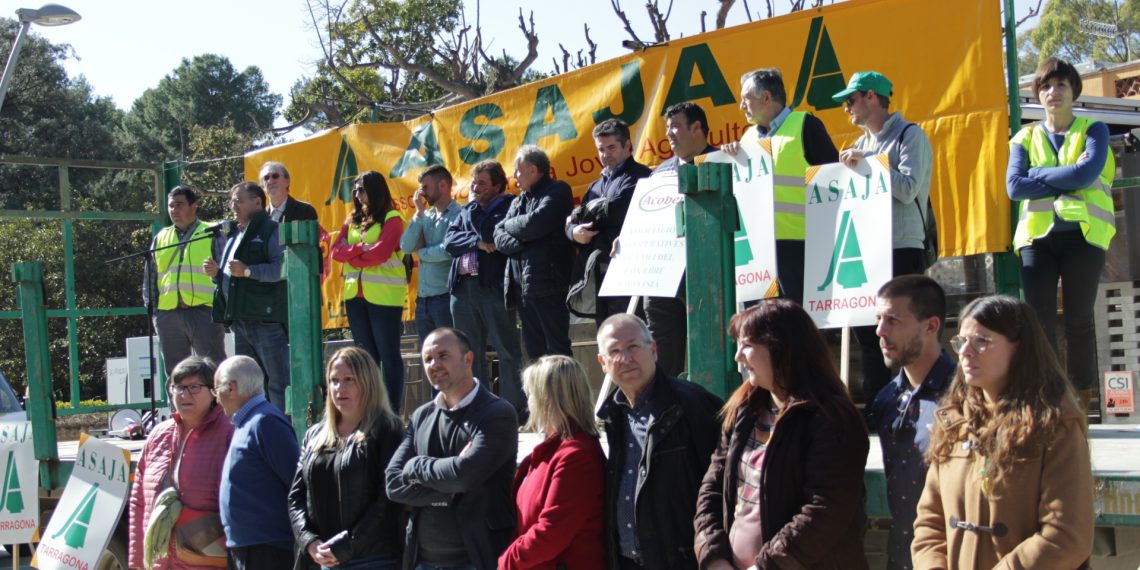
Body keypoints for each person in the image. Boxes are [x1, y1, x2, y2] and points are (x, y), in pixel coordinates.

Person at [912, 296, 1094, 568]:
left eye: (981, 341)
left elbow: (1066, 536)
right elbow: (930, 523)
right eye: (961, 341)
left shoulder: (1055, 426)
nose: (965, 352)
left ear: (1020, 348)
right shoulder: (954, 423)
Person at [694, 300, 870, 569]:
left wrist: (765, 566)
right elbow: (712, 489)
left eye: (747, 345)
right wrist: (714, 557)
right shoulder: (744, 411)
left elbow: (825, 510)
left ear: (781, 348)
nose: (737, 356)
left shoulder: (831, 418)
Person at [1006, 57, 1116, 412]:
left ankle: (1083, 401)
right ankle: (1050, 400)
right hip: (1037, 240)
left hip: (1084, 237)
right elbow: (1014, 187)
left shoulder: (1094, 129)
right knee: (1038, 323)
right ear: (1038, 94)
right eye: (1046, 86)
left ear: (1074, 92)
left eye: (1061, 85)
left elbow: (1086, 176)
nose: (1053, 92)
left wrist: (1039, 175)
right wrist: (1066, 173)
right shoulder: (1023, 136)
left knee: (1078, 320)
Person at [832, 70, 936, 410]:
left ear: (871, 97)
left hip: (902, 246)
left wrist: (871, 165)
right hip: (867, 250)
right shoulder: (859, 145)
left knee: (903, 329)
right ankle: (880, 408)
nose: (846, 108)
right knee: (868, 331)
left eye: (851, 100)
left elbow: (907, 190)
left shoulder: (911, 136)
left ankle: (917, 404)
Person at [594, 313, 722, 570]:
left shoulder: (691, 405)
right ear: (603, 363)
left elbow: (724, 489)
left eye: (633, 347)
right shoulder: (614, 415)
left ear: (653, 349)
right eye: (615, 351)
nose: (625, 358)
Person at [385, 327, 519, 570]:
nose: (434, 364)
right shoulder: (421, 416)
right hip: (422, 561)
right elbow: (393, 484)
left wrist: (416, 465)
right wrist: (450, 489)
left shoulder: (497, 414)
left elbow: (464, 476)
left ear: (468, 359)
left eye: (443, 355)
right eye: (427, 359)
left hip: (476, 560)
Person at [725, 68, 839, 307]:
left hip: (800, 245)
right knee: (760, 324)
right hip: (757, 250)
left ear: (766, 97)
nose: (741, 106)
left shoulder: (805, 124)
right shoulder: (746, 140)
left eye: (746, 99)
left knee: (797, 322)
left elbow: (834, 180)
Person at [868, 275, 955, 570]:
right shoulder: (885, 399)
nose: (880, 331)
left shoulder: (967, 396)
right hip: (902, 557)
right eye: (878, 319)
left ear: (931, 326)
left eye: (893, 320)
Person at [288, 347, 403, 570]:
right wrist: (309, 541)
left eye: (349, 379)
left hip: (373, 559)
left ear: (368, 382)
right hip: (320, 559)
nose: (340, 388)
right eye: (334, 380)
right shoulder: (314, 434)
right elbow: (296, 497)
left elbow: (389, 498)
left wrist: (347, 545)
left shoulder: (387, 429)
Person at [498, 355, 606, 570]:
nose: (528, 402)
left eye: (530, 394)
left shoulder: (577, 455)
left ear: (547, 398)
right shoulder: (555, 449)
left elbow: (550, 533)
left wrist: (507, 562)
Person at [128, 357, 233, 570]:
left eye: (194, 387)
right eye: (179, 387)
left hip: (209, 563)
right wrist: (137, 562)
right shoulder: (158, 435)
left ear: (214, 391)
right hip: (159, 564)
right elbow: (139, 501)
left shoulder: (230, 432)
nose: (184, 395)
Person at [641, 102, 720, 377]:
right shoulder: (659, 174)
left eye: (675, 126)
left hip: (708, 274)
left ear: (697, 128)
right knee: (662, 348)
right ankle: (665, 407)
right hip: (663, 277)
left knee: (711, 344)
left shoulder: (722, 164)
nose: (669, 134)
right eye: (666, 128)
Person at [443, 159, 526, 416]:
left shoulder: (508, 206)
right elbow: (449, 241)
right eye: (473, 182)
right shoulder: (466, 210)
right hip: (462, 289)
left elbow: (492, 233)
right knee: (468, 352)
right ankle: (476, 406)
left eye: (482, 183)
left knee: (506, 348)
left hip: (492, 287)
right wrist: (476, 243)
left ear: (498, 185)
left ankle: (514, 408)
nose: (475, 188)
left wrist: (479, 234)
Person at [205, 182, 289, 411]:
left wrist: (250, 271)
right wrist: (216, 275)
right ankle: (256, 429)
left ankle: (281, 432)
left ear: (257, 202)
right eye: (232, 201)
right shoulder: (235, 235)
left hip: (265, 320)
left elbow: (283, 269)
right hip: (241, 321)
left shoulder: (270, 230)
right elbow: (234, 275)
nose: (234, 206)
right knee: (248, 385)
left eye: (239, 200)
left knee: (277, 383)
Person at [330, 171, 407, 413]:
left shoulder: (393, 218)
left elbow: (380, 254)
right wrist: (361, 250)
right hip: (355, 297)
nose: (357, 194)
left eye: (361, 189)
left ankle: (392, 411)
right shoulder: (351, 219)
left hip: (384, 297)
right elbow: (335, 251)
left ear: (375, 189)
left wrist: (353, 254)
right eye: (354, 190)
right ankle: (371, 410)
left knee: (388, 355)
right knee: (365, 358)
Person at [216, 355, 300, 570]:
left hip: (267, 550)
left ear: (232, 388)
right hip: (251, 548)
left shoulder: (265, 422)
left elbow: (296, 482)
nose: (217, 399)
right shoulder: (249, 421)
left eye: (217, 390)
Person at [566, 118, 652, 325]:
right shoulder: (595, 186)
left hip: (631, 270)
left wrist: (580, 215)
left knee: (630, 334)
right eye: (601, 149)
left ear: (627, 145)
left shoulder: (642, 175)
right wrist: (573, 231)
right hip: (598, 272)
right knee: (606, 336)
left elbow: (616, 210)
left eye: (611, 147)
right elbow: (574, 221)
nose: (605, 155)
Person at [494, 145, 575, 359]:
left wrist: (519, 230)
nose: (514, 177)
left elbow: (536, 224)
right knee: (534, 351)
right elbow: (498, 236)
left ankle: (565, 393)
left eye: (517, 171)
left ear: (532, 170)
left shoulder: (557, 190)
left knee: (557, 350)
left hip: (549, 284)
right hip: (522, 289)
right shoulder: (519, 200)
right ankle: (542, 394)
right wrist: (525, 242)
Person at [143, 186, 227, 377]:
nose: (174, 210)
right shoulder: (161, 237)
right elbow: (151, 277)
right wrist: (156, 312)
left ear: (194, 206)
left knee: (214, 369)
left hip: (205, 312)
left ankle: (218, 407)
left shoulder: (211, 232)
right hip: (169, 314)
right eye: (171, 206)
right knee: (175, 373)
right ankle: (178, 408)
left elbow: (225, 272)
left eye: (179, 205)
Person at [401, 165, 461, 344]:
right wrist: (418, 213)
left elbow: (449, 249)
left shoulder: (459, 214)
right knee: (430, 358)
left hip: (446, 297)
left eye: (425, 187)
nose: (422, 193)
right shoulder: (425, 215)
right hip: (423, 302)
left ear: (443, 185)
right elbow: (405, 246)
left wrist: (421, 252)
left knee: (451, 354)